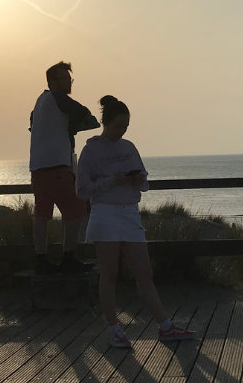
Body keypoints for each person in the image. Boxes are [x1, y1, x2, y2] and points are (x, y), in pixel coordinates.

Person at [76, 95, 195, 348]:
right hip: (105, 213)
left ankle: (165, 326)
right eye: (118, 126)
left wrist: (135, 178)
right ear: (105, 122)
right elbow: (82, 190)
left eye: (126, 126)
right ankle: (114, 329)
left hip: (130, 212)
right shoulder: (91, 150)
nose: (122, 131)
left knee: (145, 273)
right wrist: (112, 180)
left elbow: (145, 182)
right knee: (109, 273)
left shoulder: (129, 147)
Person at [29, 61, 100, 275]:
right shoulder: (58, 98)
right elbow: (82, 111)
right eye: (65, 78)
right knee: (76, 211)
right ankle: (68, 256)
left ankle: (41, 259)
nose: (69, 83)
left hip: (37, 168)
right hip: (58, 167)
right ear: (52, 82)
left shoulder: (39, 103)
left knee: (42, 215)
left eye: (70, 79)